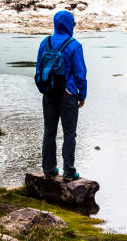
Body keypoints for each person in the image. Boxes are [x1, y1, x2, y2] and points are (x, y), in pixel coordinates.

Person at [35, 10, 87, 181]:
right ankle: (69, 171)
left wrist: (44, 88)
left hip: (48, 93)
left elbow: (38, 69)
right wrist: (82, 94)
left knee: (49, 132)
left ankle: (49, 169)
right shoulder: (74, 45)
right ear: (70, 24)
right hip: (68, 95)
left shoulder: (46, 42)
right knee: (69, 133)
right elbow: (80, 73)